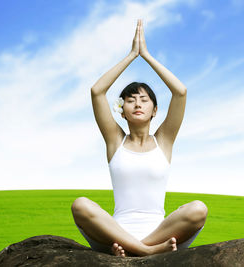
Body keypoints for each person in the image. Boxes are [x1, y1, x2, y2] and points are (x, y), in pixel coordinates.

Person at [71, 19, 208, 257]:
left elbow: (180, 92)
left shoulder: (164, 140)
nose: (137, 103)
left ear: (155, 110)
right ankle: (145, 251)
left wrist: (146, 55)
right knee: (80, 204)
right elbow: (97, 91)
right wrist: (131, 55)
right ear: (121, 110)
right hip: (114, 236)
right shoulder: (116, 141)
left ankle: (139, 248)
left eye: (144, 100)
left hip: (162, 234)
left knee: (198, 209)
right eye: (130, 100)